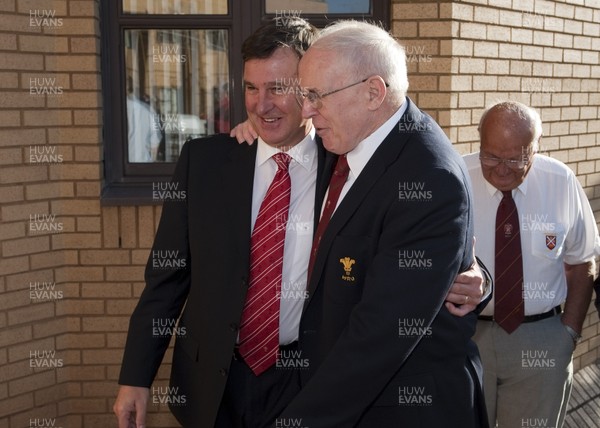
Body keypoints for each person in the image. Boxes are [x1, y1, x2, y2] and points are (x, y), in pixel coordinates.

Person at [114, 18, 488, 428]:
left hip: (309, 378)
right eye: (251, 88)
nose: (260, 105)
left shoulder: (346, 159)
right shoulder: (206, 162)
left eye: (281, 89)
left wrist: (475, 278)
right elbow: (165, 280)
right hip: (214, 386)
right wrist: (136, 376)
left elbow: (417, 241)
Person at [266, 20, 489, 427]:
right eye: (304, 94)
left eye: (316, 95)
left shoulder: (427, 177)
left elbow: (379, 337)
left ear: (373, 92)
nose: (307, 110)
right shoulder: (345, 138)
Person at [463, 101, 600, 428]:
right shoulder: (455, 176)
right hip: (467, 338)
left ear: (536, 150)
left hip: (541, 339)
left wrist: (568, 333)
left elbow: (582, 261)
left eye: (515, 158)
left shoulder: (561, 182)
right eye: (491, 156)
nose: (501, 169)